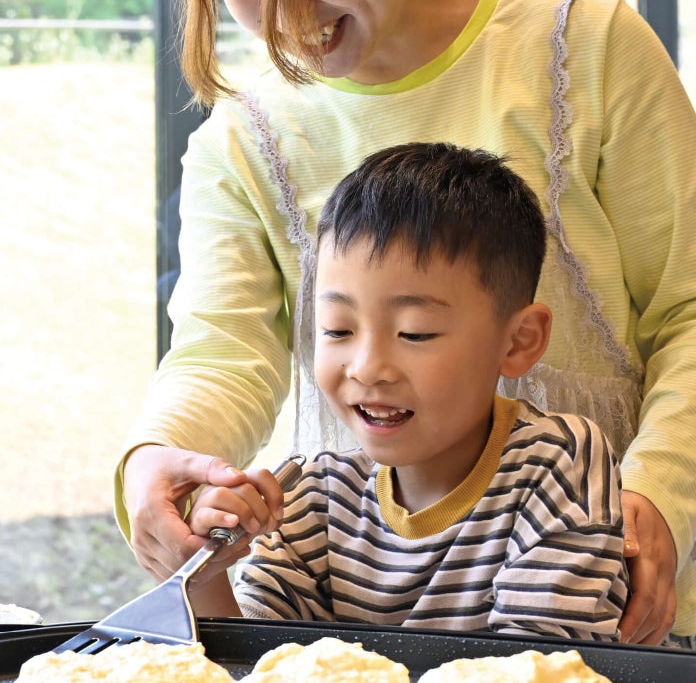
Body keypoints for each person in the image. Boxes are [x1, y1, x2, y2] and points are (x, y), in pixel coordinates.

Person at [118, 0, 696, 647]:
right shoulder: (244, 141)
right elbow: (221, 352)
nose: (282, 11)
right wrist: (158, 458)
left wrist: (657, 498)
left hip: (599, 606)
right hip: (350, 629)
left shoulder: (581, 46)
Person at [185, 143, 627, 639]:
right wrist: (205, 572)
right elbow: (258, 672)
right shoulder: (311, 500)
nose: (368, 368)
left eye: (415, 332)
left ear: (519, 340)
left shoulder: (559, 463)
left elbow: (537, 678)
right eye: (337, 329)